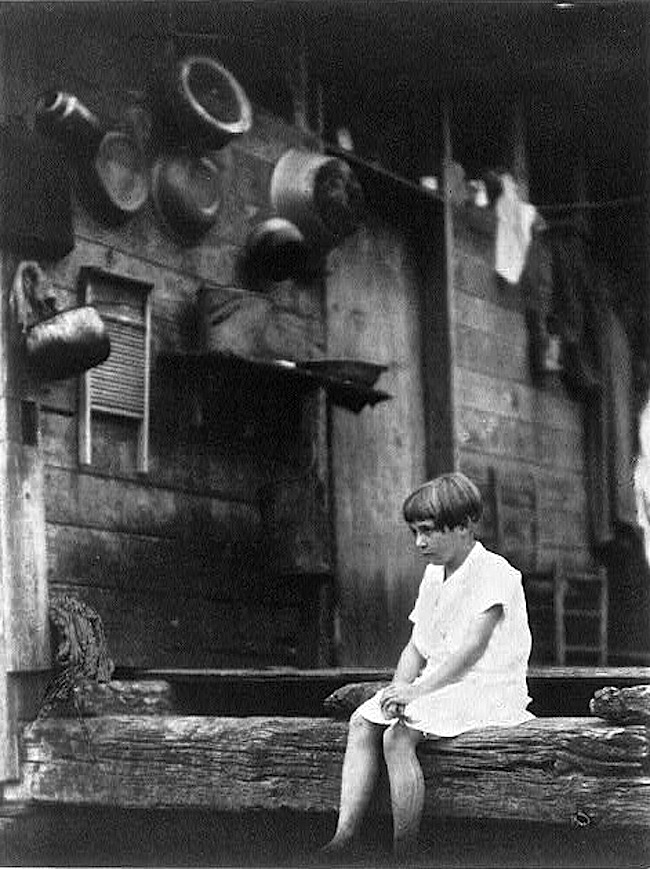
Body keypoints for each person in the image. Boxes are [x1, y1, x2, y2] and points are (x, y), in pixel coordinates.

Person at [320, 472, 534, 863]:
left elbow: (471, 651)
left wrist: (416, 693)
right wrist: (396, 691)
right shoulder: (435, 574)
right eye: (414, 532)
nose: (419, 542)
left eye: (429, 531)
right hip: (441, 685)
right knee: (362, 722)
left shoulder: (495, 572)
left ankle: (405, 854)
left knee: (397, 737)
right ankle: (343, 837)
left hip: (488, 687)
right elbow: (417, 646)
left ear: (466, 525)